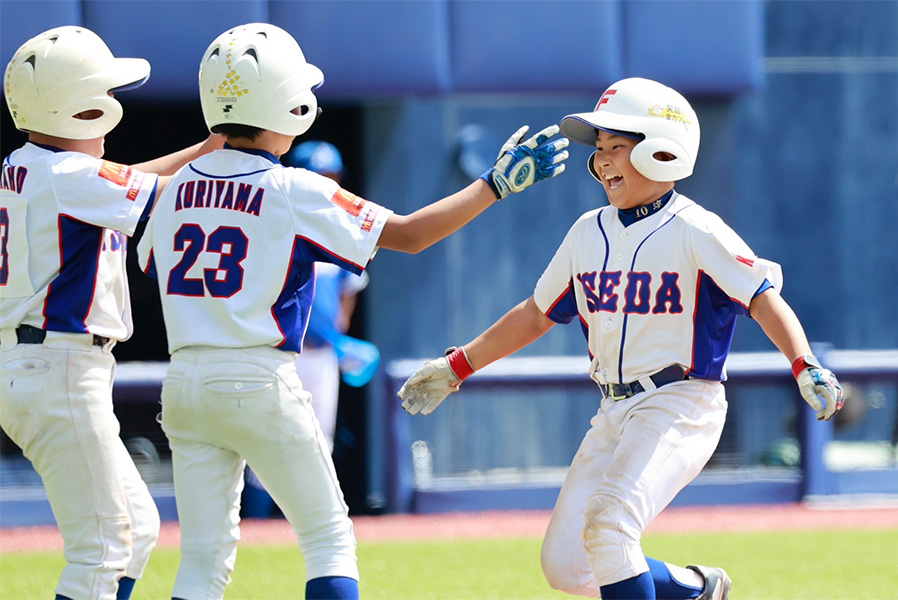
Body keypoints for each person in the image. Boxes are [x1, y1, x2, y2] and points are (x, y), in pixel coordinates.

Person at [135, 22, 568, 600]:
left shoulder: (166, 186)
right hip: (258, 375)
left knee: (201, 562)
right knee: (328, 540)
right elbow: (410, 235)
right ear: (286, 102)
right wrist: (493, 185)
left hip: (184, 380)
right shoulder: (293, 187)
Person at [398, 77, 844, 600]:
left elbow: (763, 296)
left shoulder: (697, 229)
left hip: (681, 401)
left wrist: (803, 362)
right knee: (567, 566)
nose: (602, 160)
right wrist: (458, 366)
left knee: (610, 527)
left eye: (617, 146)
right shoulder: (588, 230)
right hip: (613, 409)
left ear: (662, 150)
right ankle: (698, 590)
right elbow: (535, 315)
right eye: (599, 149)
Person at [0, 26, 223, 600]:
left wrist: (208, 146)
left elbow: (129, 181)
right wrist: (233, 148)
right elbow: (161, 193)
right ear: (77, 105)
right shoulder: (67, 175)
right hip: (57, 365)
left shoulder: (26, 165)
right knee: (100, 551)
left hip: (38, 362)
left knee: (136, 528)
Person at [242, 141, 378, 518]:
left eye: (332, 176)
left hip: (319, 354)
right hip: (276, 351)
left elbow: (351, 286)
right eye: (322, 176)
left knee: (319, 440)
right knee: (266, 439)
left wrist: (340, 328)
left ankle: (311, 519)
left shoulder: (338, 228)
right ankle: (258, 521)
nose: (329, 183)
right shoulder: (274, 222)